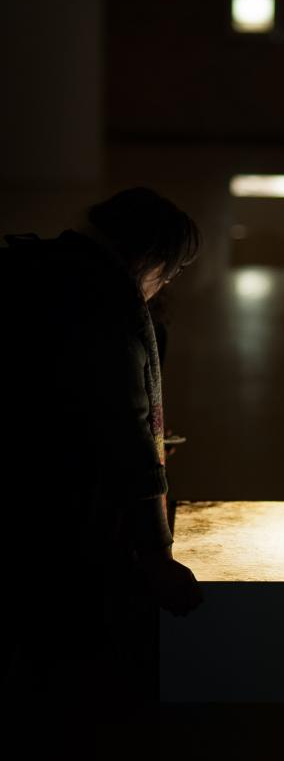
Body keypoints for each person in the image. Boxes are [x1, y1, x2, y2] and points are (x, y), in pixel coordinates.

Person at [2, 186, 203, 706]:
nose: (164, 286)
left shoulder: (40, 266)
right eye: (170, 273)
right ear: (151, 259)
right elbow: (126, 433)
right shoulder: (112, 315)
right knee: (60, 634)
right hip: (48, 500)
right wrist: (157, 557)